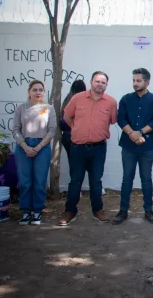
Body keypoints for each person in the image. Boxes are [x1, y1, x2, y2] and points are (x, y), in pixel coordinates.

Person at [59, 71, 117, 226]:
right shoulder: (77, 98)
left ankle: (98, 210)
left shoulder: (111, 102)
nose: (100, 84)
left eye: (103, 82)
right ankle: (70, 211)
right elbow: (66, 116)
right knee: (75, 180)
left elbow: (112, 120)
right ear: (91, 82)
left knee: (96, 181)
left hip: (98, 148)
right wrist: (76, 128)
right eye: (97, 81)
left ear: (107, 85)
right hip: (77, 147)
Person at [112, 68, 153, 225]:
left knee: (146, 178)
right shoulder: (126, 99)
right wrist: (132, 134)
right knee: (127, 178)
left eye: (138, 81)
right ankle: (123, 211)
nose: (135, 83)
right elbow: (121, 119)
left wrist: (140, 132)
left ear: (147, 82)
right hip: (128, 146)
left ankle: (148, 210)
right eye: (134, 80)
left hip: (147, 146)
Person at [12, 80, 57, 225]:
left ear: (44, 92)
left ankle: (37, 211)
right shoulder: (21, 108)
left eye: (40, 90)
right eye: (35, 90)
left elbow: (51, 130)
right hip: (23, 146)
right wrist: (25, 146)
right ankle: (26, 211)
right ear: (29, 92)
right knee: (25, 181)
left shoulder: (49, 109)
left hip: (42, 147)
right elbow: (15, 130)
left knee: (39, 180)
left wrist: (38, 148)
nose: (38, 92)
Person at [61, 80, 87, 159]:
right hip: (78, 134)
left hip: (66, 134)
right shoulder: (83, 100)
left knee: (73, 161)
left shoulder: (67, 98)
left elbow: (62, 115)